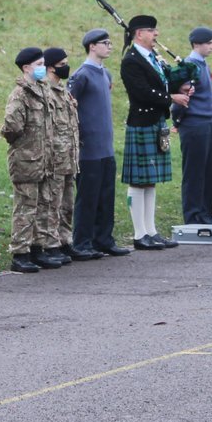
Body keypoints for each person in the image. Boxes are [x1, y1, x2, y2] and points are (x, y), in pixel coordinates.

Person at [120, 15, 191, 250]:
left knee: (150, 181)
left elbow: (163, 83)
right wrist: (171, 97)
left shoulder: (153, 58)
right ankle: (139, 234)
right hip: (141, 122)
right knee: (138, 180)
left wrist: (181, 84)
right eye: (152, 30)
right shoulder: (131, 60)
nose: (156, 34)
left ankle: (151, 230)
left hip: (156, 121)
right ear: (139, 34)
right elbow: (141, 92)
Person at [69, 29, 131, 257]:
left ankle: (103, 239)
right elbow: (70, 107)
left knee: (106, 196)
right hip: (89, 149)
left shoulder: (106, 74)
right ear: (92, 46)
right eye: (105, 43)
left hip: (105, 147)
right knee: (88, 198)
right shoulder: (81, 75)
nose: (110, 46)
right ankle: (82, 242)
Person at [1, 47, 63, 273]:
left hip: (45, 159)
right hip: (26, 159)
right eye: (38, 65)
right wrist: (26, 145)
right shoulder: (20, 94)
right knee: (25, 208)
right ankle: (20, 253)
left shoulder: (43, 90)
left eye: (43, 64)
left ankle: (38, 248)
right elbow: (11, 127)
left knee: (43, 205)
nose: (42, 69)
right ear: (26, 68)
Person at [43, 46, 98, 261]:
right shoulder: (45, 91)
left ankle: (65, 241)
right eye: (62, 64)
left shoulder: (64, 90)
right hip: (54, 157)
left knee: (67, 204)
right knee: (52, 204)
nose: (66, 67)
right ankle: (50, 244)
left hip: (69, 155)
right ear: (50, 67)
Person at [172, 26, 212, 225]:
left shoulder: (203, 64)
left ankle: (205, 213)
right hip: (194, 123)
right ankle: (192, 216)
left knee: (208, 172)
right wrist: (180, 121)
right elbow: (180, 98)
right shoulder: (189, 65)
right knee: (194, 172)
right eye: (208, 43)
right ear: (196, 44)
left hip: (208, 122)